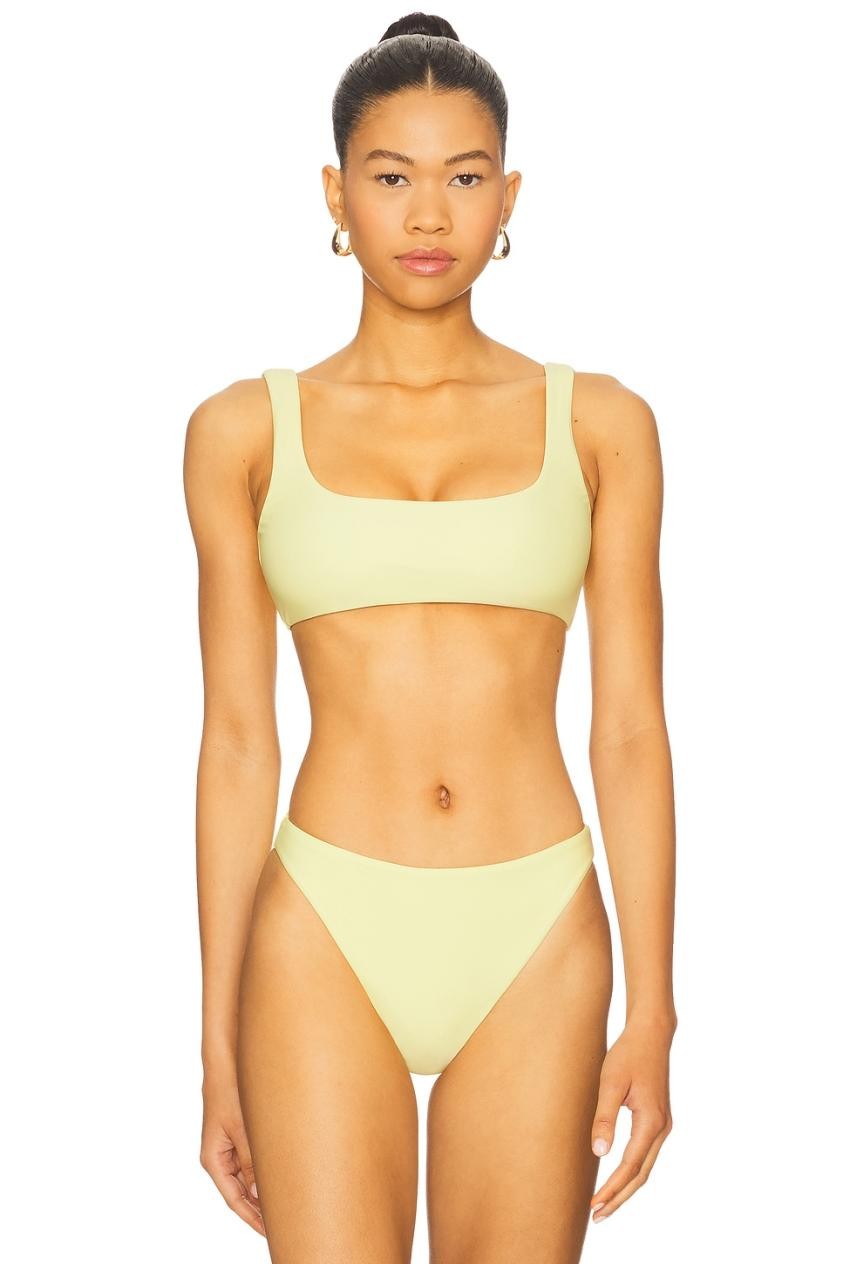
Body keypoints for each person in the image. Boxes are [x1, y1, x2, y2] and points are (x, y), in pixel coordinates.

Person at [183, 12, 677, 1262]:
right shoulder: (242, 432)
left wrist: (657, 1007)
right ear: (335, 193)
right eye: (391, 176)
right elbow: (237, 740)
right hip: (323, 924)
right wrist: (215, 1039)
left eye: (463, 177)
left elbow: (629, 729)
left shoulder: (601, 424)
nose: (427, 214)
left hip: (536, 922)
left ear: (508, 196)